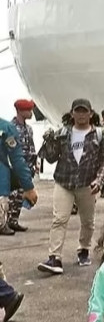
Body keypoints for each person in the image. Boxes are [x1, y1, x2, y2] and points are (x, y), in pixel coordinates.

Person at [39, 99, 104, 273]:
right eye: (77, 111)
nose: (81, 115)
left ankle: (84, 248)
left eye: (84, 111)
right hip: (64, 182)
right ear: (72, 114)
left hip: (88, 183)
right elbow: (50, 158)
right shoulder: (62, 133)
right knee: (59, 219)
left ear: (91, 113)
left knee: (87, 221)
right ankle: (54, 258)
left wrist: (99, 181)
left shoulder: (100, 135)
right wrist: (49, 141)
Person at [0, 115, 37, 285]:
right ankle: (4, 294)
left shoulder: (6, 129)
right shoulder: (6, 128)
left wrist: (28, 187)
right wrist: (28, 187)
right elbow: (17, 159)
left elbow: (18, 160)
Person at [10, 98, 38, 230]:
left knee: (21, 195)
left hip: (27, 167)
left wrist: (34, 164)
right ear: (20, 111)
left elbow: (31, 147)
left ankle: (13, 221)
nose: (31, 112)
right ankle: (6, 221)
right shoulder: (11, 129)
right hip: (15, 167)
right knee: (12, 196)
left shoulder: (29, 129)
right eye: (28, 110)